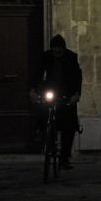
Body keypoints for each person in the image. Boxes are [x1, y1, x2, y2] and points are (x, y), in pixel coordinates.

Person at [29, 34, 82, 169]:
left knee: (69, 125)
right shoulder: (46, 56)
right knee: (42, 108)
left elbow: (77, 76)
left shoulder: (71, 57)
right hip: (50, 88)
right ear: (51, 48)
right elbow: (37, 72)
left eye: (59, 48)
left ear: (64, 48)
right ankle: (41, 131)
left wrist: (76, 94)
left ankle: (64, 157)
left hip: (66, 91)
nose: (57, 50)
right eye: (55, 48)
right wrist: (33, 90)